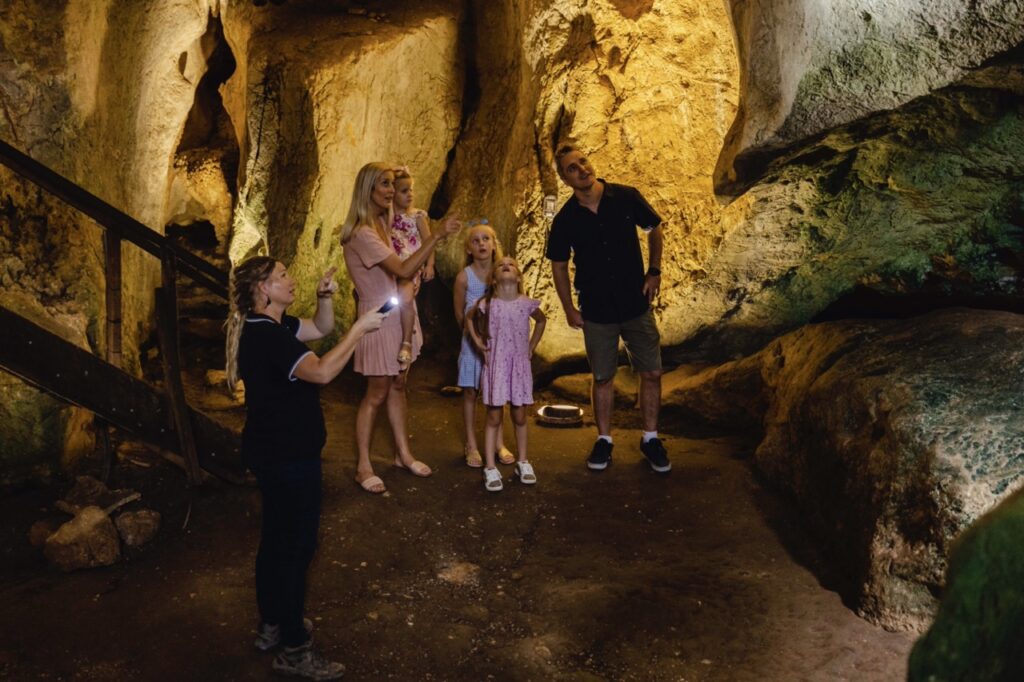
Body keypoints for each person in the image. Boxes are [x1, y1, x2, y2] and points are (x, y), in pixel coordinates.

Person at [225, 255, 384, 680]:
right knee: (296, 548)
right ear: (263, 289)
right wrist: (360, 329)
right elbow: (321, 372)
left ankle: (272, 623)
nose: (290, 281)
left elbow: (320, 328)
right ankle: (294, 648)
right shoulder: (268, 337)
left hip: (273, 451)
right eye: (282, 277)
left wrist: (324, 299)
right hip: (288, 456)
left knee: (275, 540)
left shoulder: (274, 327)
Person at [545, 143, 671, 474]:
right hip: (596, 308)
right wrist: (569, 308)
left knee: (652, 372)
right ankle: (604, 440)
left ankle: (651, 438)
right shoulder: (567, 219)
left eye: (583, 161)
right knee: (602, 377)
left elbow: (654, 228)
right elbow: (558, 265)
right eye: (572, 168)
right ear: (565, 179)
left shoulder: (626, 197)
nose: (582, 169)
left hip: (634, 302)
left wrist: (654, 271)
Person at [341, 161, 461, 494]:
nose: (392, 190)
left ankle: (402, 454)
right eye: (384, 184)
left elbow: (408, 221)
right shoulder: (363, 233)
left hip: (399, 316)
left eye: (393, 184)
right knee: (376, 393)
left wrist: (398, 171)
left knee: (398, 386)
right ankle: (363, 465)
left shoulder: (384, 222)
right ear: (368, 190)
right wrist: (435, 235)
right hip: (378, 319)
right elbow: (405, 268)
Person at [467, 256, 546, 491]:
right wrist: (479, 342)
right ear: (493, 279)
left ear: (519, 276)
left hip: (519, 366)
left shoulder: (526, 303)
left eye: (511, 264)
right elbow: (470, 320)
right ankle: (490, 466)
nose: (506, 265)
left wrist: (531, 347)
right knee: (494, 417)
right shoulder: (487, 304)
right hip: (496, 365)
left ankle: (523, 461)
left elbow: (541, 321)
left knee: (520, 416)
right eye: (501, 264)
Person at [452, 222, 516, 468]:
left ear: (493, 244)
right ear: (469, 248)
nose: (481, 244)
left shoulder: (502, 274)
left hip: (498, 345)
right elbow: (459, 315)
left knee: (496, 395)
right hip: (472, 344)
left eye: (486, 239)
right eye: (476, 240)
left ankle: (498, 443)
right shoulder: (463, 277)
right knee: (471, 392)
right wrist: (474, 337)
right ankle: (471, 444)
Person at [389, 166, 434, 370]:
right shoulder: (386, 218)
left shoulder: (417, 216)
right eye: (404, 191)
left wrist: (429, 265)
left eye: (411, 190)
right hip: (391, 265)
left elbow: (429, 242)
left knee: (405, 291)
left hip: (411, 266)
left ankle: (406, 341)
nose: (410, 195)